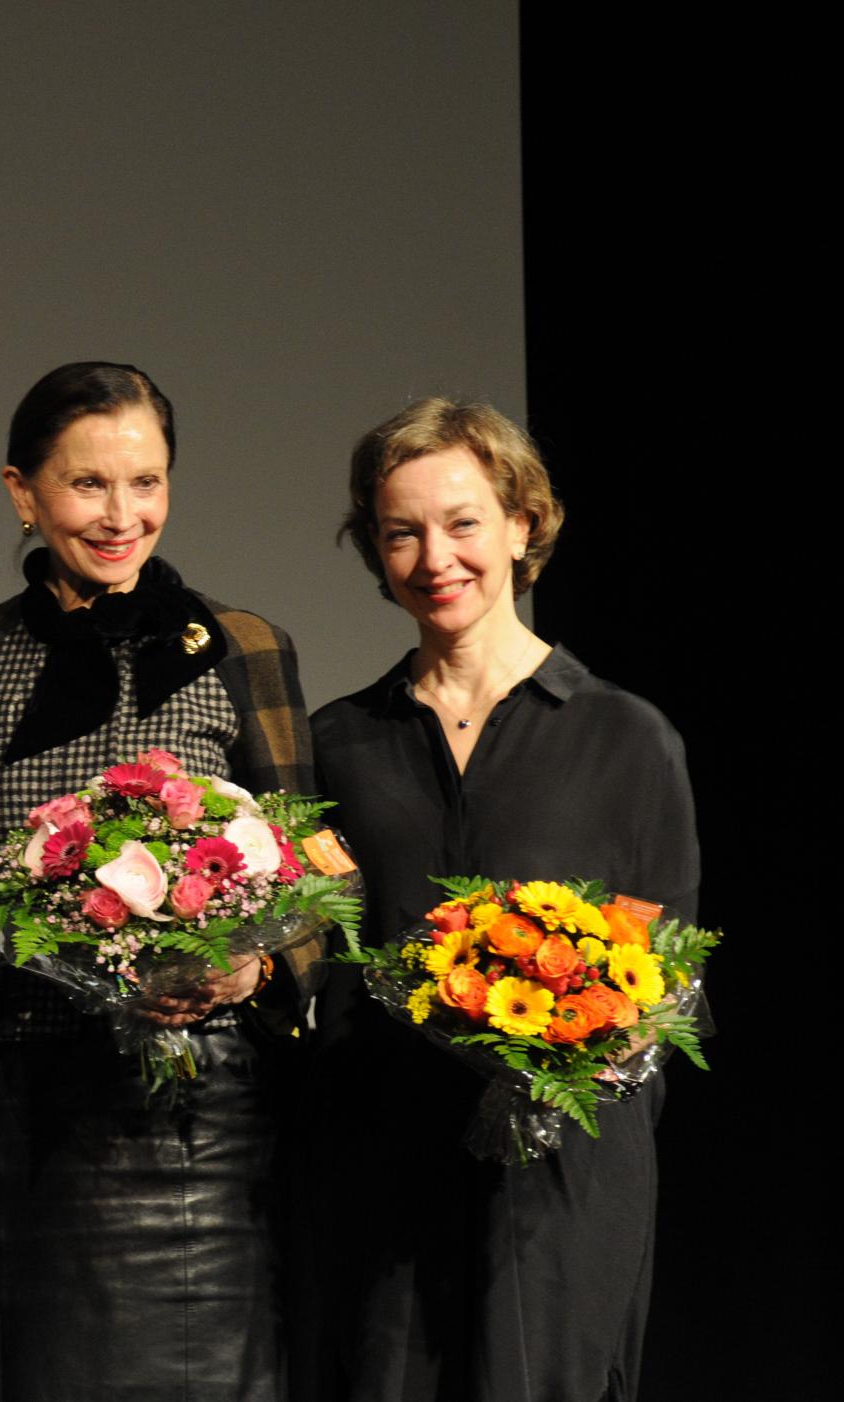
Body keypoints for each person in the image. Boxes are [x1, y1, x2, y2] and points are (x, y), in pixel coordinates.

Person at [0, 361, 315, 1401]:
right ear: (22, 491)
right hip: (17, 1090)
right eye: (87, 484)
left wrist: (250, 972)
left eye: (144, 483)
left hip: (196, 1100)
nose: (121, 515)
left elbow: (319, 882)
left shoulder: (240, 647)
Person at [305, 399, 698, 1401]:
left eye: (462, 521)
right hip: (382, 1176)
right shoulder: (338, 741)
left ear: (521, 524)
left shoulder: (623, 736)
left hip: (559, 1192)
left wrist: (574, 1059)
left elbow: (671, 981)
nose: (434, 556)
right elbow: (315, 956)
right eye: (401, 531)